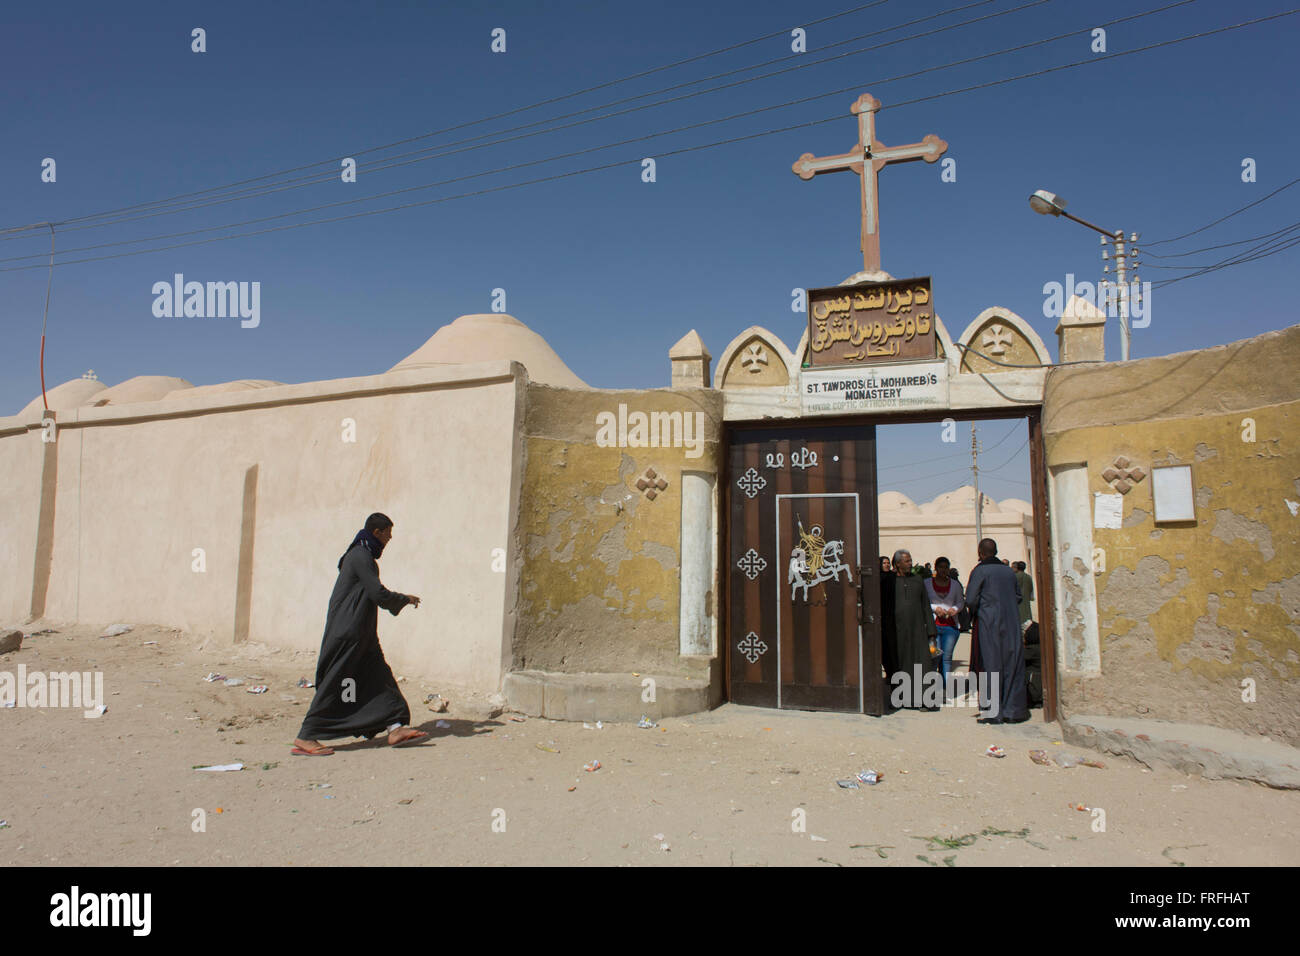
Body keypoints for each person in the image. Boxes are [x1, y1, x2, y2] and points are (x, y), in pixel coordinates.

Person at [292, 513, 428, 756]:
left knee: (380, 678)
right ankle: (306, 735)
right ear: (376, 532)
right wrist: (403, 599)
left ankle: (395, 727)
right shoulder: (360, 555)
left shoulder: (361, 555)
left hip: (362, 632)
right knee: (338, 681)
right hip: (349, 631)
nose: (390, 538)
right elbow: (377, 593)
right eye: (387, 533)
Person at [964, 538, 1028, 724]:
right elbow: (1018, 596)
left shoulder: (980, 571)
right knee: (1012, 663)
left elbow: (970, 599)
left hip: (989, 622)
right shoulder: (1009, 571)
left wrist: (983, 609)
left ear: (980, 553)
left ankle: (993, 712)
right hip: (1011, 623)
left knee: (991, 664)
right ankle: (1013, 711)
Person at [883, 549, 938, 710]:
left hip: (917, 630)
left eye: (910, 560)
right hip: (897, 631)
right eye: (906, 561)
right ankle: (899, 699)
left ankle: (925, 700)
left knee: (921, 664)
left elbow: (925, 605)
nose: (910, 563)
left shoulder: (917, 580)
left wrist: (931, 631)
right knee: (898, 664)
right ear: (897, 563)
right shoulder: (889, 581)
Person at [924, 556, 964, 698]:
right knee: (934, 656)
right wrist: (935, 608)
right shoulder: (927, 583)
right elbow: (923, 602)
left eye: (945, 567)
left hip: (950, 627)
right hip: (933, 627)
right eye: (940, 567)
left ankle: (945, 689)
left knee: (946, 658)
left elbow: (960, 602)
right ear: (936, 568)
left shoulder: (955, 585)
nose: (943, 570)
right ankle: (931, 688)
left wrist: (954, 609)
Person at [1013, 561, 1035, 627]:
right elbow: (1031, 589)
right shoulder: (1028, 577)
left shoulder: (1015, 577)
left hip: (1017, 603)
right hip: (1026, 603)